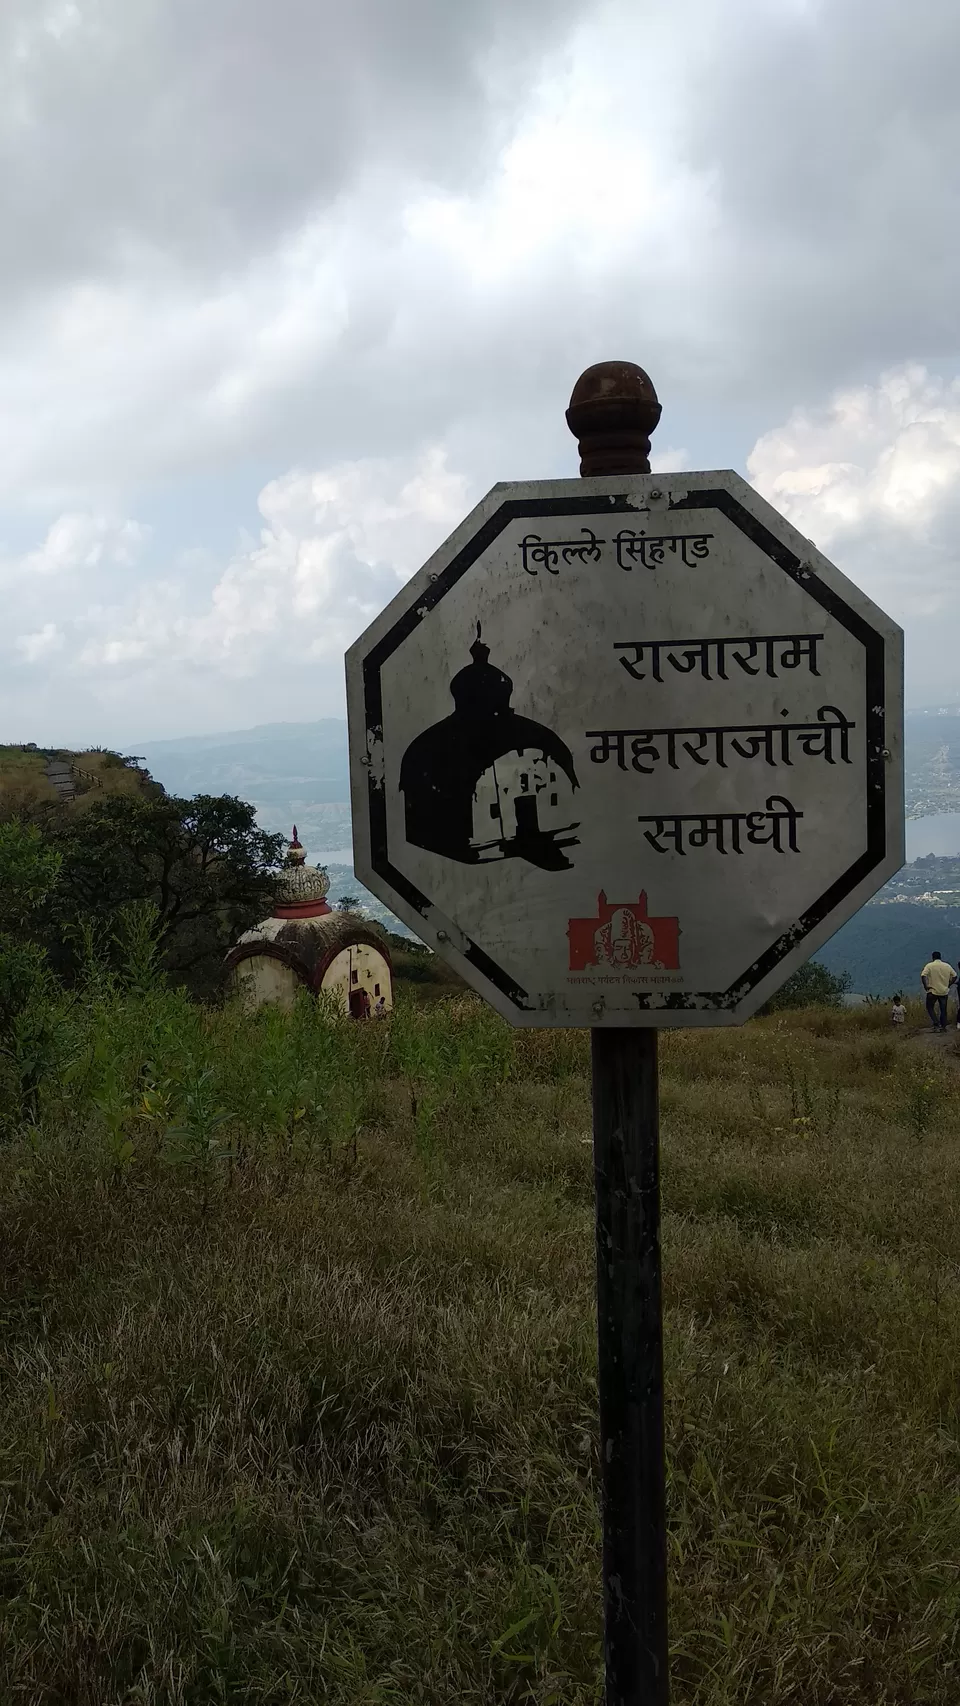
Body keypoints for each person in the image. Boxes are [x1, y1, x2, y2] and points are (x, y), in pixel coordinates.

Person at [920, 952, 955, 1032]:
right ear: (940, 957)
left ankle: (936, 1023)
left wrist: (926, 986)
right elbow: (954, 976)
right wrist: (949, 984)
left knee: (930, 1007)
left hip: (933, 991)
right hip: (944, 991)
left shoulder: (929, 966)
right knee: (943, 1009)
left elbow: (923, 975)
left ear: (933, 957)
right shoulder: (947, 966)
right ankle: (943, 1027)